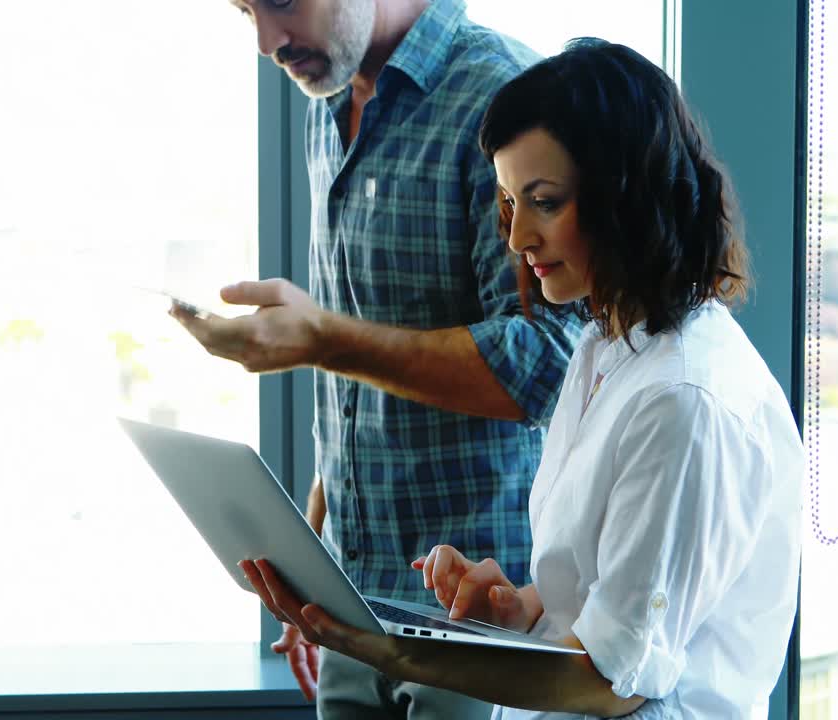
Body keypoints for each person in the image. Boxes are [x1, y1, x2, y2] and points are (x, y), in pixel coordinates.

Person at [239, 39, 803, 719]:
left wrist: (392, 651)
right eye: (510, 203)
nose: (518, 239)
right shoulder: (607, 349)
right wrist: (514, 605)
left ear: (624, 193)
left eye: (543, 201)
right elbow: (598, 598)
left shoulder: (685, 400)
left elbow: (612, 681)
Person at [176, 1, 581, 717]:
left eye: (280, 3)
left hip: (483, 622)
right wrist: (318, 541)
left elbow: (546, 363)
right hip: (353, 603)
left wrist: (323, 339)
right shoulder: (326, 106)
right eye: (246, 12)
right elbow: (369, 355)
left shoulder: (500, 96)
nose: (268, 43)